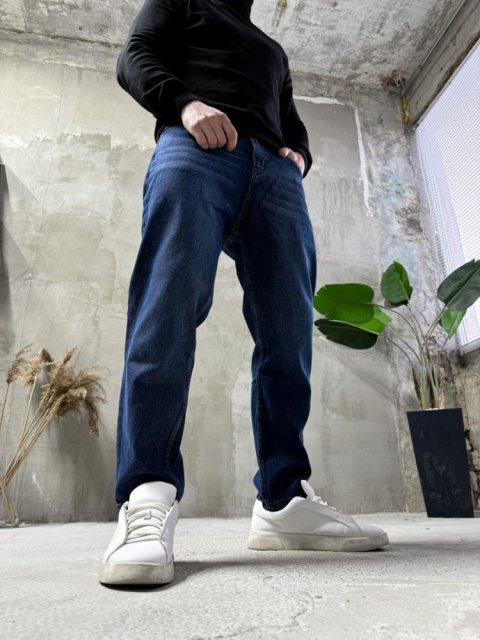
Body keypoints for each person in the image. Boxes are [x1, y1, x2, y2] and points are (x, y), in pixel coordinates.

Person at [99, 0, 389, 587]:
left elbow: (291, 120)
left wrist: (299, 157)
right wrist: (186, 104)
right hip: (196, 148)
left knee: (289, 334)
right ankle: (147, 492)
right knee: (166, 311)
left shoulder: (273, 51)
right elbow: (135, 56)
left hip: (275, 178)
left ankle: (284, 500)